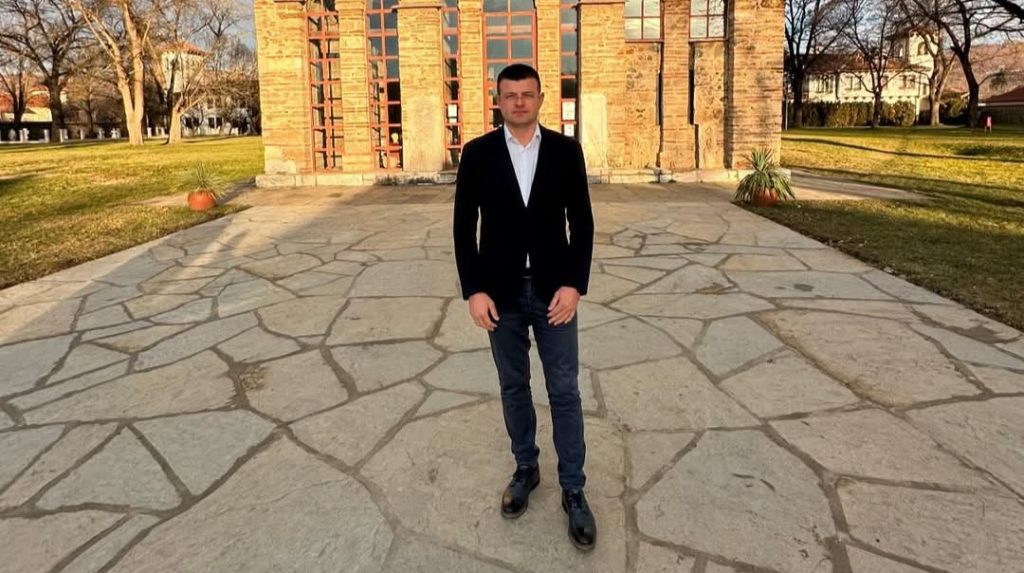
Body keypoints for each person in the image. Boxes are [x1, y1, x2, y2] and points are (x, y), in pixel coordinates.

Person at [452, 63, 596, 551]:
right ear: (499, 100)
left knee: (564, 390)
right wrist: (474, 290)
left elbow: (582, 223)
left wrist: (574, 285)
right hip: (501, 294)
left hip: (555, 293)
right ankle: (526, 467)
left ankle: (573, 488)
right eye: (510, 95)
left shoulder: (565, 152)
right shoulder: (477, 154)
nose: (519, 102)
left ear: (540, 99)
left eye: (527, 94)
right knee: (514, 386)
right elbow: (463, 228)